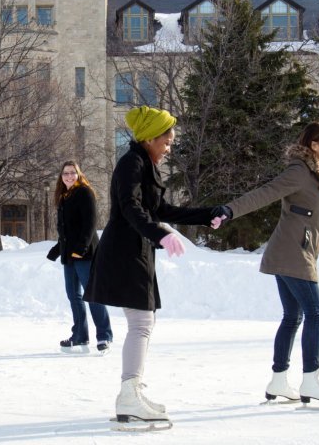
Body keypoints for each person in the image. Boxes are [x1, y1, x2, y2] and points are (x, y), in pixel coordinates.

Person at [85, 106, 223, 425]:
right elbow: (130, 207)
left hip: (137, 250)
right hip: (124, 252)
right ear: (149, 138)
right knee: (141, 323)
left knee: (143, 322)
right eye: (167, 142)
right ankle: (129, 395)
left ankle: (132, 391)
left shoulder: (145, 165)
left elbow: (162, 209)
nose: (169, 148)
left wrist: (207, 215)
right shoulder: (131, 164)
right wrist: (160, 234)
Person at [216, 121, 319, 405]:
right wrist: (229, 210)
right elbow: (265, 193)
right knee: (315, 314)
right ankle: (311, 380)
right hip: (292, 253)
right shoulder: (300, 172)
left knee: (293, 317)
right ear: (314, 145)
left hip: (297, 252)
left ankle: (278, 381)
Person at [46, 161, 113, 354]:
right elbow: (67, 230)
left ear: (78, 174)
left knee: (92, 294)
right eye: (65, 173)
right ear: (61, 177)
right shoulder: (64, 196)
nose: (69, 176)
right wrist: (57, 249)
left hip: (85, 254)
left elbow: (89, 224)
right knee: (74, 296)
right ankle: (80, 336)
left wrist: (81, 249)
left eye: (72, 173)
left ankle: (104, 336)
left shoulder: (84, 192)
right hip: (69, 255)